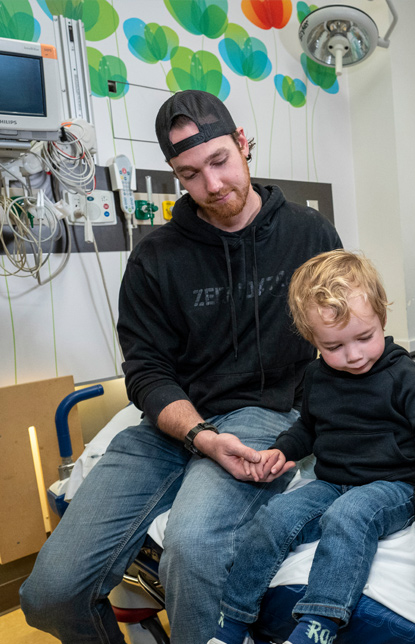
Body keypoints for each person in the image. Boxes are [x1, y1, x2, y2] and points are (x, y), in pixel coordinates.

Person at [20, 90, 342, 643]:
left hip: (262, 415)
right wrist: (198, 434)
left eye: (220, 161)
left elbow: (344, 330)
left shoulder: (309, 235)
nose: (212, 186)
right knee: (48, 593)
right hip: (168, 428)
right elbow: (145, 369)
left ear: (244, 145)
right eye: (190, 173)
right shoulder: (156, 257)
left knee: (191, 551)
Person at [208, 250, 415, 644]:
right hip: (332, 480)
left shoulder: (402, 373)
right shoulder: (316, 376)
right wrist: (283, 450)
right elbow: (308, 426)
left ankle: (319, 623)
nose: (354, 355)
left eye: (364, 337)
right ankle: (234, 619)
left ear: (382, 320)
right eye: (335, 346)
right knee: (275, 516)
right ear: (313, 340)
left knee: (348, 516)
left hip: (393, 485)